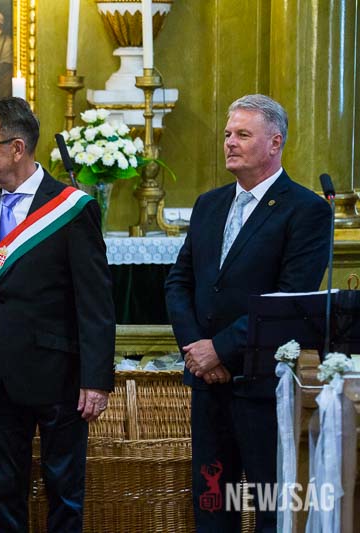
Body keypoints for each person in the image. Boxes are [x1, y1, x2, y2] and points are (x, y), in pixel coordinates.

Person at [165, 94, 332, 531]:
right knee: (212, 504)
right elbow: (178, 282)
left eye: (242, 134)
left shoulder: (307, 210)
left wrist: (220, 350)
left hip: (263, 387)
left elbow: (289, 300)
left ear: (275, 142)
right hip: (207, 386)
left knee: (269, 508)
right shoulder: (209, 204)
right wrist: (197, 351)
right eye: (227, 134)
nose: (230, 143)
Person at [0, 97, 116, 531]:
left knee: (64, 492)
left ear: (17, 148)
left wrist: (96, 380)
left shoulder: (71, 208)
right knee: (3, 493)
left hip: (58, 375)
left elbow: (95, 301)